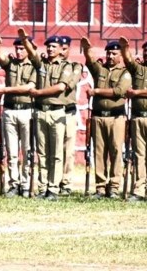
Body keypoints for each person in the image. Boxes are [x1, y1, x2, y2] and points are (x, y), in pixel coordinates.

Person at [18, 30, 72, 200]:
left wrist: (39, 93)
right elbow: (32, 53)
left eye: (53, 47)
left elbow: (61, 87)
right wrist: (25, 40)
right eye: (48, 46)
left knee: (56, 153)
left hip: (57, 113)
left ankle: (54, 188)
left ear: (60, 49)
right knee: (42, 153)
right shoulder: (40, 64)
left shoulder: (66, 66)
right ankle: (43, 187)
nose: (49, 49)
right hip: (41, 113)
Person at [81, 38, 130, 199]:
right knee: (99, 152)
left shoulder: (125, 72)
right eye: (108, 53)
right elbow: (90, 60)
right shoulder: (100, 70)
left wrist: (96, 92)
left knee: (116, 151)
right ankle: (100, 187)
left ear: (121, 55)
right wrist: (87, 48)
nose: (110, 56)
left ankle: (114, 186)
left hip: (116, 117)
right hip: (98, 116)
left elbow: (119, 91)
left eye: (114, 53)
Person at [0, 35, 36, 198]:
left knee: (27, 150)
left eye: (22, 48)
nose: (19, 51)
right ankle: (13, 184)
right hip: (10, 110)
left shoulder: (35, 65)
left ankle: (26, 183)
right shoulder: (11, 64)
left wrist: (6, 90)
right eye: (17, 48)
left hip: (26, 110)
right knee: (11, 151)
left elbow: (30, 87)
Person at [119, 37, 147, 201]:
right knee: (139, 155)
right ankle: (139, 190)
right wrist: (124, 48)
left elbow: (135, 92)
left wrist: (137, 93)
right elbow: (128, 60)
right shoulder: (139, 69)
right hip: (138, 118)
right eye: (145, 51)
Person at [59, 36, 83, 196]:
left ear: (69, 50)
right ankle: (51, 182)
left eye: (64, 48)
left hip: (67, 112)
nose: (61, 51)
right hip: (52, 111)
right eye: (59, 48)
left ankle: (66, 183)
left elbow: (68, 84)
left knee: (68, 150)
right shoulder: (49, 65)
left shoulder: (75, 66)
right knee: (52, 150)